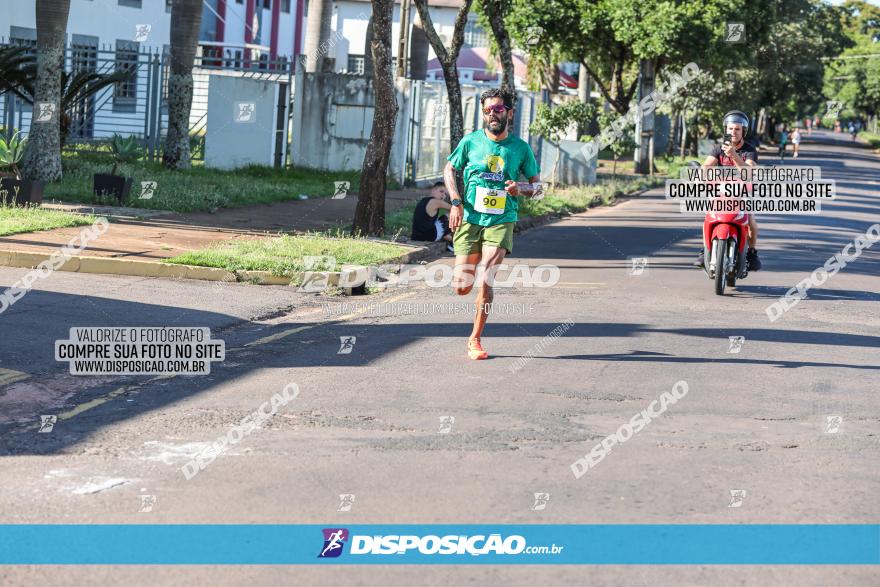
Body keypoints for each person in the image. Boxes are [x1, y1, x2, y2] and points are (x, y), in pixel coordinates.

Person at [444, 88, 541, 360]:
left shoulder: (520, 149)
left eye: (497, 109)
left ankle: (475, 339)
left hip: (502, 219)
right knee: (462, 286)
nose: (492, 115)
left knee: (486, 276)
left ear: (509, 112)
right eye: (487, 111)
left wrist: (520, 188)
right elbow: (450, 168)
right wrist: (455, 200)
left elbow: (539, 188)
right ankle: (469, 281)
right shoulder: (470, 142)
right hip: (471, 218)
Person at [694, 110, 762, 271]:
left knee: (751, 222)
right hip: (720, 191)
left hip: (742, 192)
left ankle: (752, 253)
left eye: (737, 129)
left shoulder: (750, 150)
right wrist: (699, 175)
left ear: (743, 131)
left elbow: (749, 171)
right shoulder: (718, 148)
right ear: (726, 130)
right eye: (730, 129)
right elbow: (706, 165)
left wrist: (734, 156)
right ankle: (705, 250)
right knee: (708, 218)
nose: (733, 132)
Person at [411, 181, 453, 252]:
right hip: (428, 236)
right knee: (452, 214)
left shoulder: (423, 200)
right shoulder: (435, 202)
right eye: (441, 191)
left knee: (438, 223)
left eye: (445, 194)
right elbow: (455, 208)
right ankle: (454, 245)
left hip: (416, 237)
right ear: (433, 190)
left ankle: (453, 242)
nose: (443, 195)